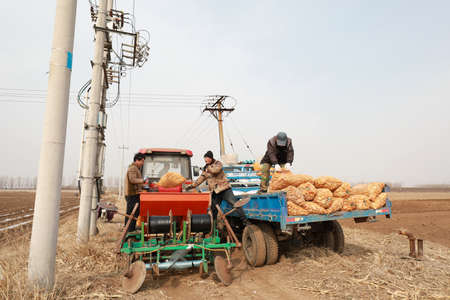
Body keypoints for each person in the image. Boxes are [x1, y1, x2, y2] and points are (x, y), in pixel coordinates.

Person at [185, 151, 249, 226]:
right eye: (204, 158)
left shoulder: (218, 164)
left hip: (224, 189)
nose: (205, 160)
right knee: (213, 210)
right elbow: (200, 179)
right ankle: (213, 227)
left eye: (207, 158)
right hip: (215, 192)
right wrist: (191, 186)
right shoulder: (206, 169)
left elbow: (215, 171)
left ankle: (245, 221)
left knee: (235, 203)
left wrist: (207, 167)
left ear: (211, 158)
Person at [124, 153, 146, 232]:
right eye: (142, 161)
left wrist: (143, 186)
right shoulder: (133, 168)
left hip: (135, 194)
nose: (142, 163)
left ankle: (131, 229)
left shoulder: (136, 168)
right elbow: (132, 180)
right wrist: (143, 180)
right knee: (131, 213)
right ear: (137, 160)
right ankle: (128, 230)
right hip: (131, 194)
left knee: (135, 213)